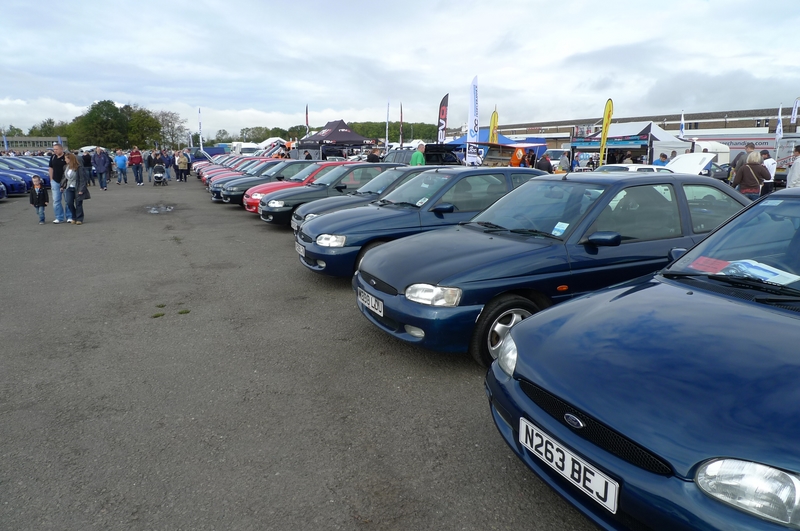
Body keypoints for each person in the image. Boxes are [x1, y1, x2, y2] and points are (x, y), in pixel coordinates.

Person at [62, 152, 86, 224]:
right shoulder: (66, 167)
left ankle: (79, 218)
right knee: (69, 203)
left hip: (77, 187)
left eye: (66, 158)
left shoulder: (78, 167)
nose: (65, 160)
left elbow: (82, 179)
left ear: (70, 159)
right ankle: (74, 216)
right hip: (69, 187)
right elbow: (65, 178)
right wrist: (62, 185)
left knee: (78, 203)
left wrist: (81, 189)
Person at [48, 143, 68, 223]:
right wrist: (51, 179)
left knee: (68, 200)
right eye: (54, 149)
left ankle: (69, 216)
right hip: (55, 181)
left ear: (61, 149)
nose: (55, 151)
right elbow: (50, 168)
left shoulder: (66, 157)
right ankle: (59, 217)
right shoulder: (53, 157)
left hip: (65, 181)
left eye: (56, 149)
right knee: (56, 200)